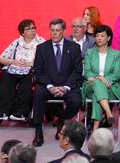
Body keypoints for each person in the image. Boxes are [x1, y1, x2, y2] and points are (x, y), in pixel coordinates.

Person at [32, 18, 83, 147]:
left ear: (64, 31)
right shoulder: (42, 48)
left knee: (76, 101)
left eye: (57, 30)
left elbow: (77, 71)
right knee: (38, 94)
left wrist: (65, 87)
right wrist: (50, 86)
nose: (54, 33)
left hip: (67, 86)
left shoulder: (74, 47)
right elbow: (38, 71)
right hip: (48, 86)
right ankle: (38, 133)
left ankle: (61, 121)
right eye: (52, 30)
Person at [0, 19, 45, 121]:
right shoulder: (17, 42)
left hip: (30, 69)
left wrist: (29, 63)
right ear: (22, 32)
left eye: (33, 27)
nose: (32, 30)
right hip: (14, 68)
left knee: (26, 81)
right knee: (5, 76)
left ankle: (20, 112)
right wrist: (13, 62)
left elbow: (45, 61)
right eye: (28, 28)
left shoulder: (41, 42)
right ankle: (3, 111)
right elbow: (1, 58)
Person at [82, 25, 120, 131]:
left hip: (110, 87)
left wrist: (106, 80)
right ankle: (109, 113)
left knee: (97, 95)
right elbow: (87, 72)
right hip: (91, 86)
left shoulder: (116, 54)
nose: (99, 38)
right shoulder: (90, 53)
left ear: (108, 38)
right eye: (97, 36)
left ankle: (95, 129)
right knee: (97, 84)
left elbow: (117, 73)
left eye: (102, 36)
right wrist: (101, 79)